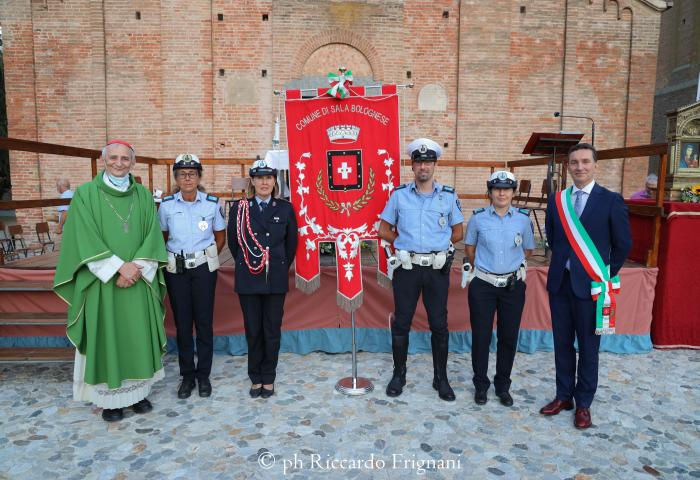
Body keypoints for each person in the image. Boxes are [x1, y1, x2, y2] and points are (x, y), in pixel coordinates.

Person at [54, 140, 168, 422]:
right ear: (103, 160)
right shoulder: (86, 195)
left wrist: (135, 268)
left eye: (125, 159)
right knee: (108, 336)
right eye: (113, 158)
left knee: (136, 335)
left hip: (138, 279)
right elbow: (83, 237)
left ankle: (138, 394)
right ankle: (110, 402)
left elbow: (151, 236)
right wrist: (118, 268)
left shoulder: (141, 195)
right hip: (102, 282)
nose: (119, 163)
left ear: (133, 162)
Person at [540, 143, 631, 429]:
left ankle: (584, 404)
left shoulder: (611, 200)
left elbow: (622, 244)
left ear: (595, 165)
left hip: (592, 287)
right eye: (574, 162)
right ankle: (563, 395)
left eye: (585, 162)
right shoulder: (557, 201)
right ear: (568, 166)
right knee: (562, 344)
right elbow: (553, 239)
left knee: (589, 348)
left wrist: (603, 274)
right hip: (560, 284)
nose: (579, 167)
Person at [379, 138, 464, 402]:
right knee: (402, 321)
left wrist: (442, 246)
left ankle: (441, 378)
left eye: (428, 162)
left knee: (439, 324)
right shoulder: (399, 195)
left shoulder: (449, 196)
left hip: (437, 269)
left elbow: (459, 230)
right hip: (407, 267)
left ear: (434, 165)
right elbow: (383, 229)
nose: (423, 167)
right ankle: (399, 374)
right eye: (419, 162)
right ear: (413, 166)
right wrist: (403, 244)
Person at [463, 171, 535, 406]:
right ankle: (481, 385)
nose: (502, 192)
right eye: (497, 188)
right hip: (483, 285)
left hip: (512, 287)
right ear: (490, 192)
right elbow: (470, 249)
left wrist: (509, 268)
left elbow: (527, 250)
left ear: (514, 192)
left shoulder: (523, 219)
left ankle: (503, 386)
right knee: (481, 336)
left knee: (508, 337)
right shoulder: (478, 218)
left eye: (507, 188)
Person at [227, 159, 297, 399]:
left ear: (275, 181)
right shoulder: (240, 208)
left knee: (272, 329)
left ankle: (269, 376)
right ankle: (255, 376)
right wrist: (252, 263)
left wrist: (275, 265)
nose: (264, 182)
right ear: (252, 182)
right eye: (259, 178)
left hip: (275, 277)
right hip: (249, 276)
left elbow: (291, 246)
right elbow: (233, 244)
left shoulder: (285, 208)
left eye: (269, 178)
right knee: (253, 329)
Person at [158, 154, 226, 399]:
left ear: (199, 177)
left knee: (204, 322)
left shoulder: (211, 204)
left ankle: (203, 375)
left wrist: (205, 258)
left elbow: (220, 236)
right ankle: (187, 376)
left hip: (203, 269)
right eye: (182, 174)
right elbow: (163, 238)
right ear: (176, 177)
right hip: (176, 270)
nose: (187, 178)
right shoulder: (166, 205)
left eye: (192, 173)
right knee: (183, 324)